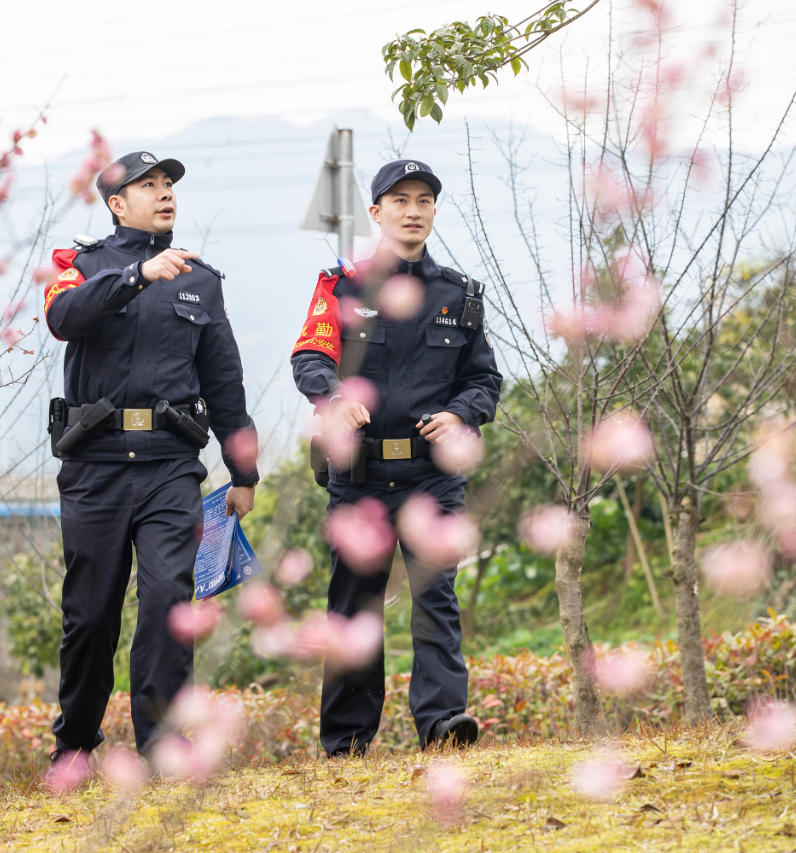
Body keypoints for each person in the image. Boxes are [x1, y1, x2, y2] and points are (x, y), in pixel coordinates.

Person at [41, 150, 258, 777]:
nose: (165, 193)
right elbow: (62, 318)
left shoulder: (200, 280)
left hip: (170, 466)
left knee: (168, 601)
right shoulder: (80, 267)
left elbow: (225, 382)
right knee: (90, 614)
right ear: (116, 203)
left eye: (169, 184)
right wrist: (136, 276)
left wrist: (243, 473)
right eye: (149, 185)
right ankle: (74, 746)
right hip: (96, 467)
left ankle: (162, 742)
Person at [291, 159, 502, 757]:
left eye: (424, 200)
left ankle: (442, 725)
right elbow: (310, 357)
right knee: (354, 605)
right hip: (359, 476)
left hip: (431, 477)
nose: (413, 211)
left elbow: (484, 379)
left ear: (434, 211)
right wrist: (335, 398)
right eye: (400, 200)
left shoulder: (459, 295)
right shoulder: (343, 286)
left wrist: (461, 414)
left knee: (436, 598)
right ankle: (347, 742)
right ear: (377, 212)